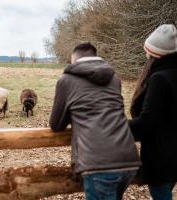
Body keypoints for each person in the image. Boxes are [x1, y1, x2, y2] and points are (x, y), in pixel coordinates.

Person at [50, 42, 141, 200]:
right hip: (129, 160)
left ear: (75, 60)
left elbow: (56, 125)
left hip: (99, 164)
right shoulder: (114, 78)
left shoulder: (66, 80)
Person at [129, 24, 177, 200]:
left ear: (154, 53)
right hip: (173, 154)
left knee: (161, 195)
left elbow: (147, 122)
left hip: (162, 156)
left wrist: (117, 126)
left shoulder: (159, 79)